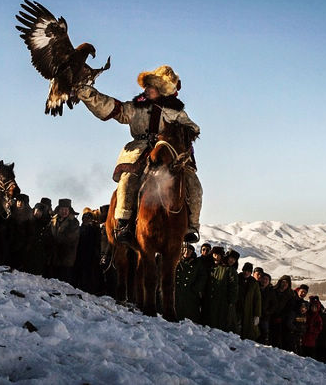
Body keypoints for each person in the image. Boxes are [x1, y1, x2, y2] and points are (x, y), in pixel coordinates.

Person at [76, 65, 202, 244]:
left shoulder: (176, 112)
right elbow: (111, 108)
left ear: (161, 89)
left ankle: (192, 226)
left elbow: (194, 128)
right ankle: (123, 223)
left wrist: (178, 135)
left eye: (151, 86)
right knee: (128, 179)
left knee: (194, 185)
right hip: (140, 151)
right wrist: (86, 93)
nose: (147, 89)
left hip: (170, 154)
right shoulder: (135, 107)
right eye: (147, 86)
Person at [204, 246, 238, 332]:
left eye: (234, 260)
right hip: (211, 298)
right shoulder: (215, 266)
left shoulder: (230, 270)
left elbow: (233, 287)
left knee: (219, 322)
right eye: (231, 258)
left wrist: (231, 300)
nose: (232, 261)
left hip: (222, 300)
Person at [48, 198, 80, 284]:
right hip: (53, 255)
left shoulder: (74, 222)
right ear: (58, 210)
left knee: (64, 280)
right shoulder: (53, 220)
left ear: (69, 210)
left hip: (66, 255)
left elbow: (71, 237)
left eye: (66, 210)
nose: (64, 212)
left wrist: (56, 241)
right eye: (62, 209)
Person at [174, 243, 208, 323]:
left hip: (190, 294)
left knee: (189, 319)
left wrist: (196, 288)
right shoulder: (177, 260)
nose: (186, 252)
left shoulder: (197, 263)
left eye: (189, 250)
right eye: (185, 250)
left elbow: (203, 276)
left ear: (192, 252)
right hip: (177, 292)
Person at [237, 262, 262, 341]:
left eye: (248, 271)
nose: (246, 272)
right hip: (237, 308)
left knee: (248, 330)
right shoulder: (237, 278)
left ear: (251, 272)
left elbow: (257, 299)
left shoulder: (254, 282)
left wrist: (257, 315)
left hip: (249, 310)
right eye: (245, 270)